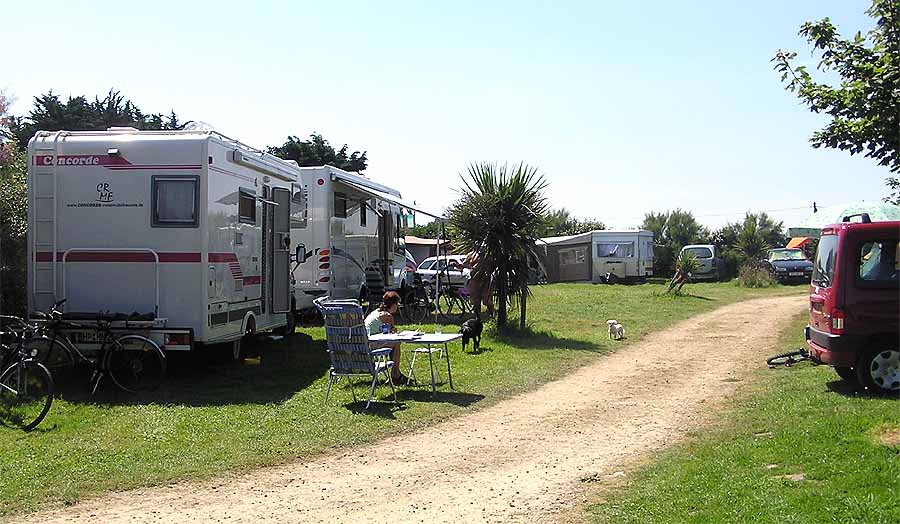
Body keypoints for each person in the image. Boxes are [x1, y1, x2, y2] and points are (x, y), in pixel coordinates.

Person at [364, 291, 409, 385]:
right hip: (371, 346)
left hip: (365, 344)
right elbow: (393, 334)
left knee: (393, 342)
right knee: (396, 343)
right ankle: (395, 375)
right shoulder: (387, 316)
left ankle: (395, 374)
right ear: (393, 305)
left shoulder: (376, 312)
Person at [454, 250, 495, 319]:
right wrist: (457, 265)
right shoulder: (471, 254)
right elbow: (463, 265)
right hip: (474, 280)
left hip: (485, 281)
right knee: (476, 301)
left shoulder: (488, 255)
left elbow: (492, 266)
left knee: (487, 300)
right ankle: (477, 318)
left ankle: (492, 315)